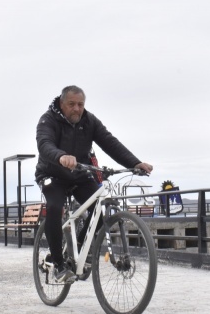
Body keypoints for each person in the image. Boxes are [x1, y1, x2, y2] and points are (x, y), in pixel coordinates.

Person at [35, 85, 154, 283]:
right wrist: (61, 156)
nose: (76, 109)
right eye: (71, 104)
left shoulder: (89, 121)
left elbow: (110, 143)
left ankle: (80, 245)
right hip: (52, 174)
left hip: (79, 175)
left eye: (80, 104)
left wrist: (135, 163)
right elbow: (44, 144)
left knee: (101, 207)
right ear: (62, 103)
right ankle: (58, 264)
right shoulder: (48, 120)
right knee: (54, 207)